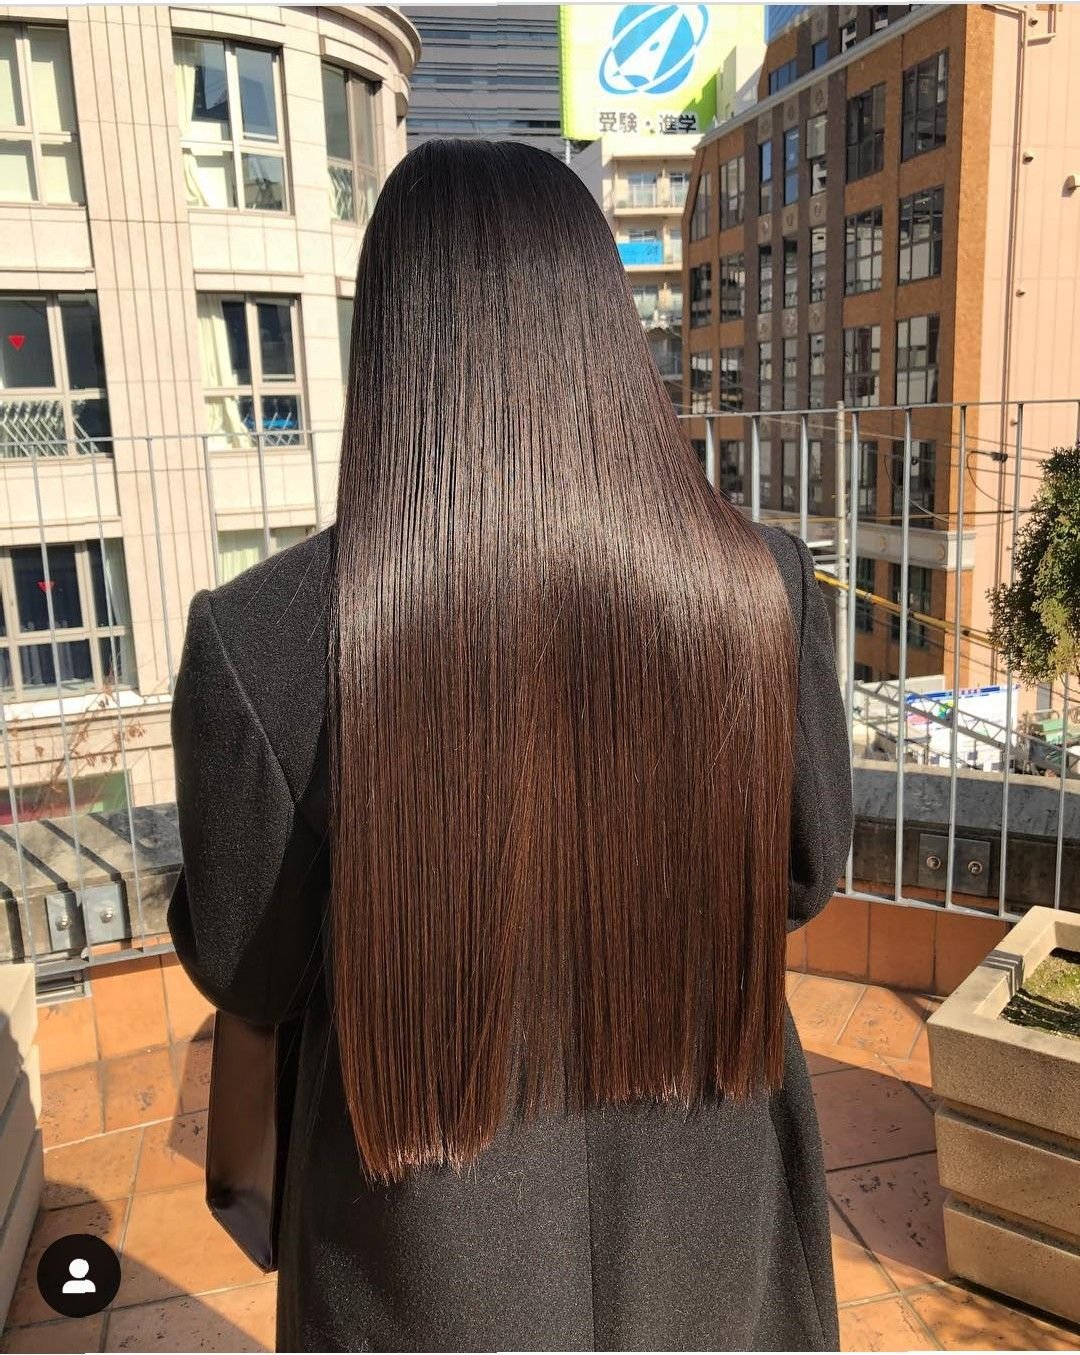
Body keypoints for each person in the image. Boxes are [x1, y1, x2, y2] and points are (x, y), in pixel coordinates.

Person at [167, 138, 854, 1353]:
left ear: (393, 346)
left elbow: (247, 967)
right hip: (712, 1224)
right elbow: (804, 875)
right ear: (603, 332)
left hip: (417, 1263)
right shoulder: (761, 587)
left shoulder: (261, 638)